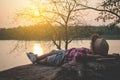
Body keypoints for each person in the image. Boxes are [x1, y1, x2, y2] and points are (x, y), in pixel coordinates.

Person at [26, 34, 109, 66]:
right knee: (52, 51)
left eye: (92, 45)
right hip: (65, 52)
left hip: (63, 59)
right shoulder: (89, 51)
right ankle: (36, 58)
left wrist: (95, 56)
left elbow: (78, 56)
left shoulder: (89, 56)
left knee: (47, 59)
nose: (90, 46)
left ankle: (37, 61)